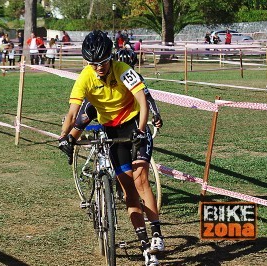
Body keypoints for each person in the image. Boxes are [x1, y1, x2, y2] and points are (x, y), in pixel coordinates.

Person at [58, 30, 164, 266]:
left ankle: (156, 232)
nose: (98, 68)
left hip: (134, 125)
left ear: (110, 57)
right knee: (127, 190)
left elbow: (142, 99)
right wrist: (64, 136)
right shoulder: (86, 77)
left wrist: (141, 128)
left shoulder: (123, 70)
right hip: (112, 130)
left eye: (103, 62)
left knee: (141, 180)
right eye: (93, 64)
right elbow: (74, 112)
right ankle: (144, 245)